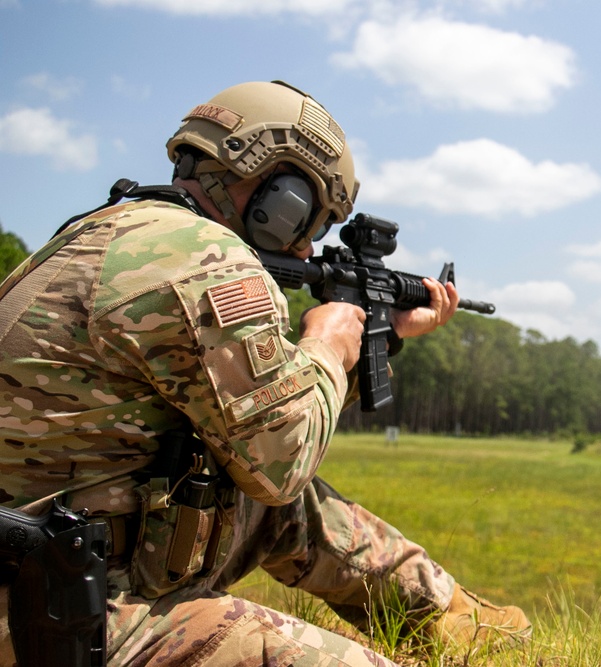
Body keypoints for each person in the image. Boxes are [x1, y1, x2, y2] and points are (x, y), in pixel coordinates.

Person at [0, 80, 530, 666]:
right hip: (57, 622)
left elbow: (256, 434)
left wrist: (385, 334)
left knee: (286, 512)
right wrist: (326, 345)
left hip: (48, 571)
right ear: (282, 192)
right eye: (312, 222)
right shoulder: (205, 257)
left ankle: (459, 624)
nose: (307, 250)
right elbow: (281, 461)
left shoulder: (93, 232)